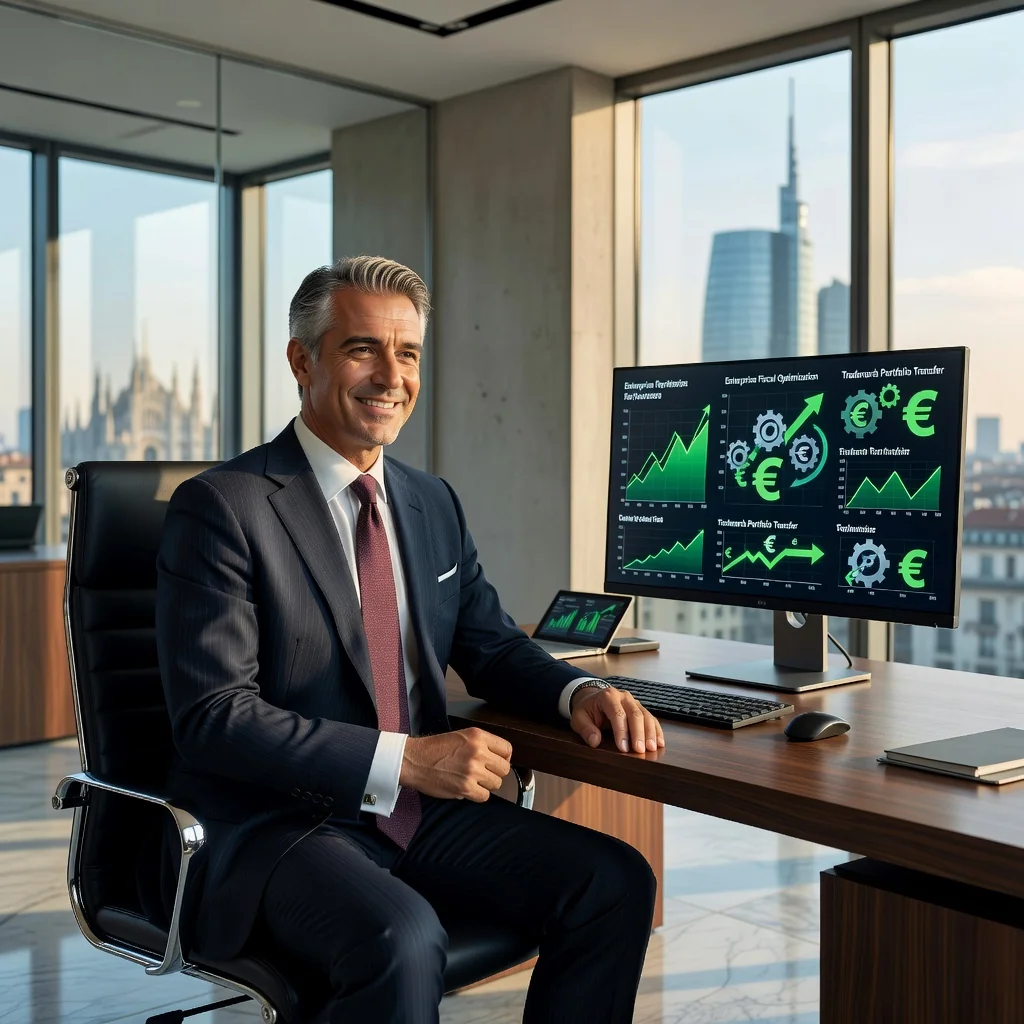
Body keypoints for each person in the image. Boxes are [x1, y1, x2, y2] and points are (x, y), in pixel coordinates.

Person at [155, 255, 663, 1023]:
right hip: (281, 823)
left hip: (417, 814)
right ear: (302, 360)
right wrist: (409, 759)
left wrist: (576, 690)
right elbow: (215, 718)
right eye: (363, 348)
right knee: (400, 938)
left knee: (613, 881)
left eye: (409, 353)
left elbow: (487, 641)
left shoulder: (430, 502)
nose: (391, 375)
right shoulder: (223, 508)